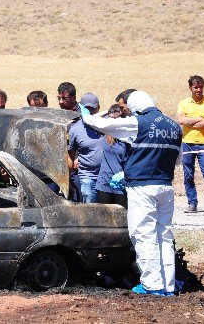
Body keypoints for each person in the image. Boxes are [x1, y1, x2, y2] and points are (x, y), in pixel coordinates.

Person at [81, 90, 182, 296]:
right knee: (164, 234)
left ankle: (152, 284)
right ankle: (168, 285)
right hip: (165, 186)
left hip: (142, 187)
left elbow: (99, 125)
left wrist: (86, 115)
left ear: (135, 107)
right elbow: (178, 161)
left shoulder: (139, 122)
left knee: (143, 234)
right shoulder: (174, 126)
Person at [177, 75, 204, 214]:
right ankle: (192, 203)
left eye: (201, 86)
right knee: (188, 175)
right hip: (187, 143)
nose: (199, 89)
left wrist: (191, 121)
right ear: (190, 88)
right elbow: (181, 121)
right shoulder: (183, 103)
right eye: (196, 87)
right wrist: (200, 119)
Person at [68, 93, 103, 203]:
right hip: (87, 178)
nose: (90, 111)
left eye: (92, 108)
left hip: (107, 178)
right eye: (86, 108)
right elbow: (70, 155)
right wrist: (67, 180)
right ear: (81, 108)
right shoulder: (75, 129)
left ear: (98, 108)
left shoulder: (107, 125)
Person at [95, 104, 127, 208]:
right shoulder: (105, 133)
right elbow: (94, 119)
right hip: (104, 183)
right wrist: (108, 112)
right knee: (105, 219)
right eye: (111, 120)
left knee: (122, 220)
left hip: (121, 184)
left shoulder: (128, 137)